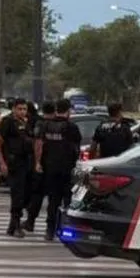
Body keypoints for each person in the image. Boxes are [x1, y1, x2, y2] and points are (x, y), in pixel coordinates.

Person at [37, 97, 83, 241]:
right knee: (67, 201)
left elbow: (39, 144)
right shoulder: (71, 127)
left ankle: (50, 230)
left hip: (50, 168)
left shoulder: (46, 125)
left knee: (53, 201)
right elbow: (77, 148)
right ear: (68, 111)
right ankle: (66, 229)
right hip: (67, 169)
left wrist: (38, 163)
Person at [0, 98, 33, 238]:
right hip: (14, 163)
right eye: (20, 109)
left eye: (25, 109)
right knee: (17, 196)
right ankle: (15, 226)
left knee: (25, 195)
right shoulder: (8, 122)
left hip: (25, 162)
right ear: (14, 109)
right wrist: (2, 163)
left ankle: (12, 226)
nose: (23, 111)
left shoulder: (26, 123)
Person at [24, 99, 55, 232]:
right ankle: (51, 227)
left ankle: (30, 221)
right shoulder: (61, 125)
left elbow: (38, 144)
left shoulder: (40, 124)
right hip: (57, 165)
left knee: (37, 193)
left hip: (41, 163)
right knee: (55, 197)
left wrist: (37, 162)